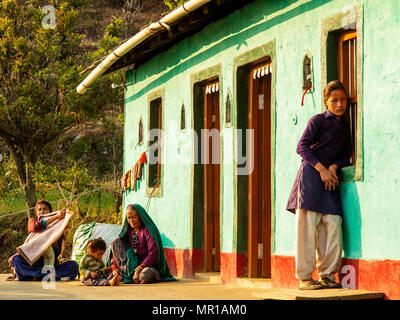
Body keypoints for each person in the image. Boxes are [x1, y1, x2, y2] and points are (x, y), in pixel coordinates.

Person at [286, 80, 352, 290]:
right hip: (310, 179)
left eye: (343, 100)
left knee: (332, 226)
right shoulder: (318, 121)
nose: (340, 104)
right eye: (334, 100)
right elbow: (302, 146)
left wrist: (333, 167)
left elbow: (345, 155)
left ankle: (327, 275)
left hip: (330, 183)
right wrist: (322, 169)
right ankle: (305, 278)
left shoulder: (345, 127)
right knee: (307, 229)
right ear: (326, 101)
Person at [8, 199, 79, 281]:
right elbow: (35, 227)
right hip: (33, 263)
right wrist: (56, 217)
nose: (42, 212)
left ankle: (36, 276)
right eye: (39, 209)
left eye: (45, 209)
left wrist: (55, 241)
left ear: (50, 211)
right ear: (36, 213)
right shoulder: (32, 221)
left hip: (48, 265)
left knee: (73, 265)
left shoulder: (57, 227)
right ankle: (46, 276)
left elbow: (56, 254)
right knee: (17, 260)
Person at [107, 203, 176, 284]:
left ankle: (135, 275)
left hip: (147, 265)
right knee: (116, 242)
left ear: (140, 216)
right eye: (128, 218)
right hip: (130, 266)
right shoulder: (128, 231)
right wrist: (114, 268)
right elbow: (116, 253)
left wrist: (140, 268)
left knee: (144, 276)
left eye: (134, 217)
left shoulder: (148, 230)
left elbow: (153, 253)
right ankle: (123, 274)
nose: (131, 220)